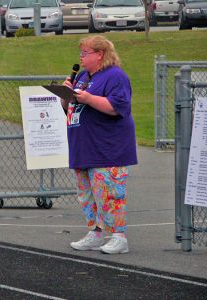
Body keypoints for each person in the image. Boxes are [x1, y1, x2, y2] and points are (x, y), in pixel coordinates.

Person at [62, 35, 138, 254]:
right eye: (81, 53)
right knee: (87, 194)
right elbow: (71, 108)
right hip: (83, 147)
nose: (81, 57)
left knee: (110, 193)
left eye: (85, 53)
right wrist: (66, 96)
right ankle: (95, 232)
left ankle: (118, 236)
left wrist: (87, 98)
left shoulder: (115, 76)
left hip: (108, 148)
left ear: (100, 54)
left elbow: (116, 107)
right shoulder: (84, 76)